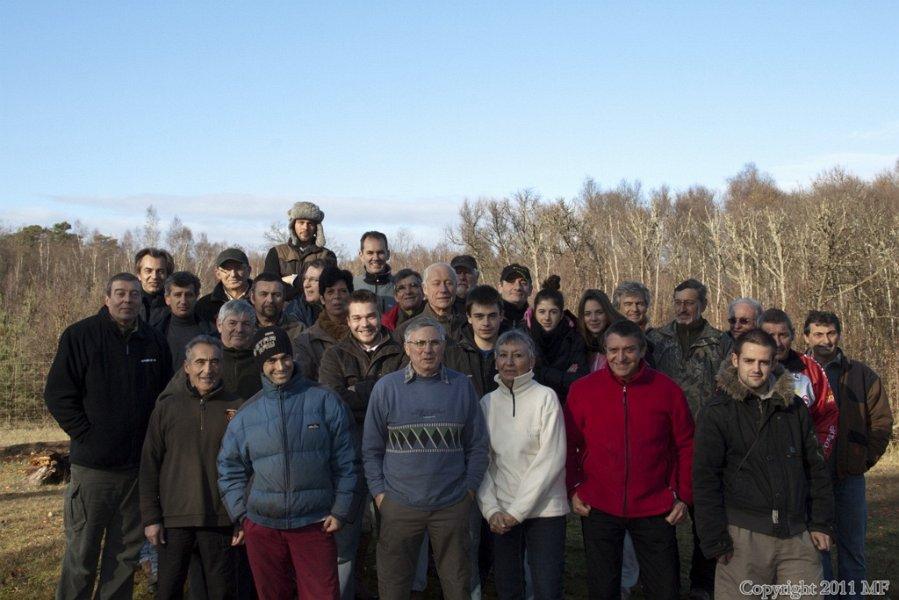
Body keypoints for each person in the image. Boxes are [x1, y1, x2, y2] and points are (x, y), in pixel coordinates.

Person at [45, 272, 173, 599]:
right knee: (82, 555)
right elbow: (58, 395)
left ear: (141, 300)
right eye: (120, 293)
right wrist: (87, 436)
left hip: (137, 471)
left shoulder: (154, 341)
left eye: (134, 294)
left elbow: (165, 400)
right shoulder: (80, 336)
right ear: (107, 298)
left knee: (124, 556)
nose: (127, 300)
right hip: (93, 470)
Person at [692, 329, 834, 600]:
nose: (756, 369)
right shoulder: (717, 411)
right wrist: (714, 538)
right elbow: (705, 479)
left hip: (796, 534)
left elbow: (815, 468)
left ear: (774, 363)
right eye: (749, 361)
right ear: (735, 360)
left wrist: (821, 523)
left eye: (763, 362)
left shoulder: (794, 407)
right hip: (742, 536)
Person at [217, 326, 358, 599]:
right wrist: (242, 515)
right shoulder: (247, 414)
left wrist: (341, 509)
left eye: (285, 358)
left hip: (316, 523)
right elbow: (228, 468)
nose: (280, 366)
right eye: (271, 360)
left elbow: (348, 460)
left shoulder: (325, 400)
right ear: (260, 364)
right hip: (263, 528)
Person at [565, 320, 693, 600]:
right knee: (603, 589)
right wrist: (573, 487)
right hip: (599, 504)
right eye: (613, 350)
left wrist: (683, 495)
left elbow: (686, 445)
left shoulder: (667, 390)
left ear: (642, 350)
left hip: (655, 505)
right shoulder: (583, 390)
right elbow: (569, 443)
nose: (620, 357)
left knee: (664, 589)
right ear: (605, 351)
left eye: (629, 350)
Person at [362, 318, 489, 600]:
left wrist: (469, 490)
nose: (427, 350)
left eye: (434, 342)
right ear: (407, 348)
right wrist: (380, 495)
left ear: (444, 346)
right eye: (419, 343)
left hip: (451, 503)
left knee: (458, 582)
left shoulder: (461, 386)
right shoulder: (386, 388)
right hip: (399, 504)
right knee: (394, 584)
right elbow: (371, 449)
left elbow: (478, 445)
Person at [140, 336, 244, 600]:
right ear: (186, 367)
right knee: (168, 591)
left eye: (214, 362)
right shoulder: (166, 408)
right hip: (174, 520)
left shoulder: (238, 407)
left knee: (222, 593)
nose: (207, 369)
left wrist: (241, 516)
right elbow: (149, 466)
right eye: (200, 362)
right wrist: (151, 518)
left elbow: (248, 467)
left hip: (220, 519)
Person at [318, 290, 404, 600]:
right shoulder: (334, 355)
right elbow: (333, 403)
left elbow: (402, 403)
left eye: (370, 316)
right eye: (357, 318)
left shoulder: (400, 353)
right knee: (344, 544)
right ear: (347, 320)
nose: (364, 324)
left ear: (380, 315)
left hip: (392, 460)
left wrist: (357, 391)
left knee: (393, 542)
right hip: (348, 461)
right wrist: (380, 391)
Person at [646, 278, 728, 599]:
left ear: (703, 305)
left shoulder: (720, 342)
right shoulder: (655, 340)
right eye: (678, 302)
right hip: (662, 443)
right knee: (661, 519)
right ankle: (663, 583)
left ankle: (702, 584)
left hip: (705, 442)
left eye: (690, 302)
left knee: (703, 518)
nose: (682, 308)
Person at [804, 311, 893, 597]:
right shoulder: (797, 373)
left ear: (839, 335)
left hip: (848, 477)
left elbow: (881, 422)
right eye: (818, 334)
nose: (825, 340)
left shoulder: (861, 374)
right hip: (810, 479)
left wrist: (862, 459)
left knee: (852, 550)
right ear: (806, 337)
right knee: (817, 551)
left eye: (831, 333)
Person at [479, 330, 568, 600]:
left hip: (545, 510)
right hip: (502, 512)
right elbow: (482, 462)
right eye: (503, 355)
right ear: (495, 361)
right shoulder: (487, 403)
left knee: (546, 587)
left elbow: (551, 459)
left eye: (517, 355)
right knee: (508, 587)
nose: (509, 362)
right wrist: (491, 510)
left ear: (532, 360)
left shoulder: (546, 398)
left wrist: (517, 511)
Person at [759, 308, 839, 458]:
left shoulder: (812, 369)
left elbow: (827, 417)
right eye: (770, 336)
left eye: (783, 335)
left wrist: (817, 456)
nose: (777, 343)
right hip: (755, 464)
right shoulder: (746, 369)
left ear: (793, 334)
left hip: (800, 463)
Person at [527, 276, 588, 404]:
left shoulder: (575, 337)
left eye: (553, 312)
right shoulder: (524, 337)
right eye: (542, 312)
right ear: (534, 313)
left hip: (566, 404)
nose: (547, 318)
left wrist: (540, 372)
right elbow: (521, 378)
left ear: (561, 315)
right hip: (532, 403)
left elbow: (580, 380)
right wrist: (563, 375)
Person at [444, 284, 507, 398]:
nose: (486, 323)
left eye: (492, 316)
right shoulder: (451, 356)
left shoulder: (515, 353)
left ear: (501, 316)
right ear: (469, 317)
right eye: (479, 316)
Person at [294, 265, 353, 380]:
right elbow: (302, 382)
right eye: (330, 292)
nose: (337, 297)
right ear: (322, 299)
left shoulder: (364, 331)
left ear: (350, 296)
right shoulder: (306, 341)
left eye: (343, 291)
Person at [264, 201, 337, 285]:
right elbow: (269, 284)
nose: (305, 227)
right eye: (301, 222)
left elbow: (328, 284)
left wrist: (292, 280)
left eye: (310, 223)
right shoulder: (276, 253)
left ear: (317, 228)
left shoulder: (327, 255)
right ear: (293, 225)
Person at [394, 262, 467, 343]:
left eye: (449, 283)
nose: (443, 290)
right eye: (436, 284)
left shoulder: (470, 324)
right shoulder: (405, 330)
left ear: (456, 287)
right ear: (424, 288)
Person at [155, 271, 214, 366]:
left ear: (196, 297)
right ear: (167, 298)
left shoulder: (212, 333)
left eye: (189, 295)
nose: (183, 301)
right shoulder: (155, 334)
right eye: (178, 295)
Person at [216, 300, 261, 402]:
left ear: (254, 328)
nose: (239, 329)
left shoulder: (262, 359)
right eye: (232, 323)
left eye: (246, 324)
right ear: (219, 325)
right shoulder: (208, 358)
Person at [196, 248, 253, 326]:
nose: (233, 274)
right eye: (227, 269)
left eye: (238, 268)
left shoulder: (261, 301)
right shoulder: (204, 305)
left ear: (249, 271)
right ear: (218, 273)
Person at [576, 289, 624, 372]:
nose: (593, 318)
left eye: (599, 312)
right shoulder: (576, 343)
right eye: (588, 314)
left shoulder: (623, 339)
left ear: (607, 313)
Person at [249, 272, 305, 343]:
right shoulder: (242, 328)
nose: (270, 300)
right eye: (264, 294)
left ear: (284, 298)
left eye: (276, 295)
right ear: (252, 297)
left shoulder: (297, 330)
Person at [353, 231, 395, 313]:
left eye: (380, 253)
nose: (375, 258)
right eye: (370, 253)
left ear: (388, 254)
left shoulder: (400, 286)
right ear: (361, 255)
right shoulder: (351, 286)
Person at [135, 247, 175, 326]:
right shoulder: (127, 304)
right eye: (148, 271)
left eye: (160, 271)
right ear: (139, 274)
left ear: (168, 275)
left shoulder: (176, 307)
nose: (154, 276)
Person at [285, 258, 327, 326]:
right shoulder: (294, 312)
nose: (306, 285)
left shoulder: (339, 307)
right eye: (305, 279)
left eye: (312, 279)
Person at [499, 263, 532, 330]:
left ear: (530, 289)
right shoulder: (490, 319)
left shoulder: (538, 321)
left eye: (523, 283)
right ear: (500, 287)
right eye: (511, 282)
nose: (517, 287)